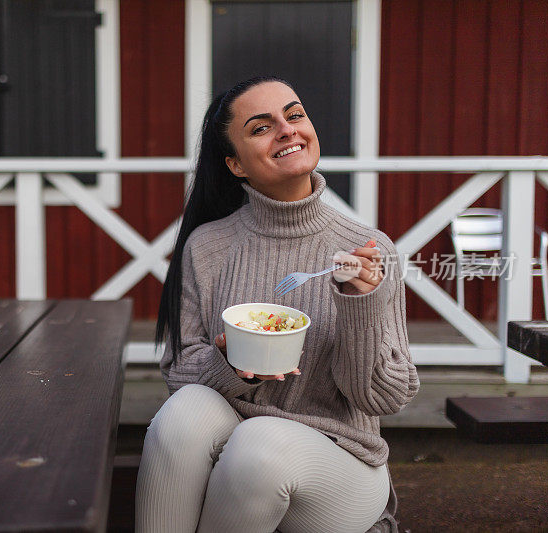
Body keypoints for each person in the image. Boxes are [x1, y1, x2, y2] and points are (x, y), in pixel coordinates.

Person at [135, 76, 419, 533]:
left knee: (258, 443)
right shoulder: (207, 247)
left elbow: (383, 397)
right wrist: (230, 362)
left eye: (295, 115)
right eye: (261, 127)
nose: (287, 130)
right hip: (235, 440)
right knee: (181, 416)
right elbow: (182, 371)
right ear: (235, 164)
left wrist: (359, 305)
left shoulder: (368, 250)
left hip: (342, 465)